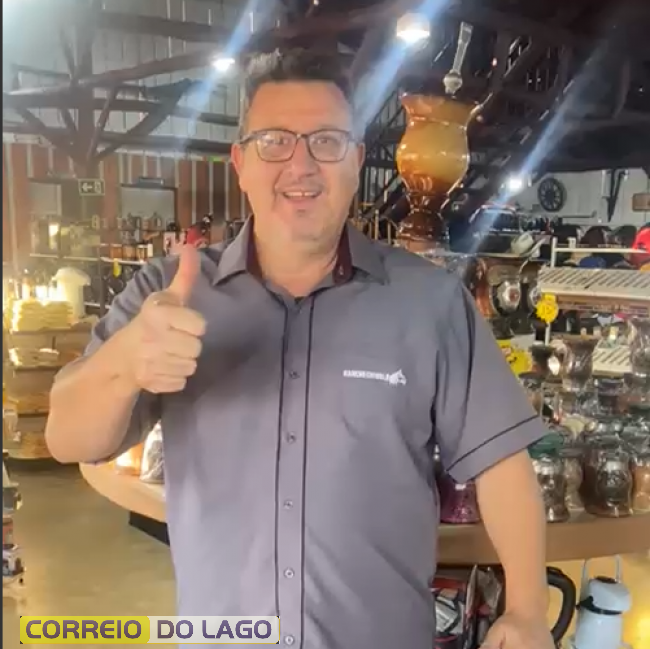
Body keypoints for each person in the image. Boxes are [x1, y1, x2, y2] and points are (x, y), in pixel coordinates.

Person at [45, 49, 553, 649]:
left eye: (327, 142)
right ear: (240, 163)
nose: (301, 165)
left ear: (357, 162)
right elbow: (68, 439)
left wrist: (526, 609)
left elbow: (501, 462)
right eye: (275, 142)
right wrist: (124, 361)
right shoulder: (168, 293)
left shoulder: (430, 303)